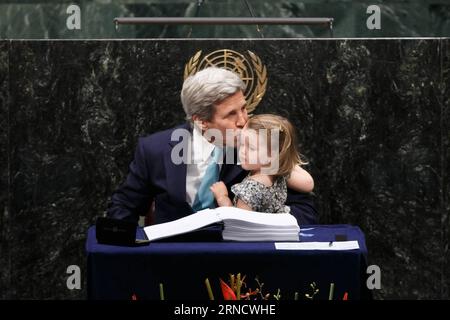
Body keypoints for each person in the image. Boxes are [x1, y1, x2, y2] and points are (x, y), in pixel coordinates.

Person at [107, 67, 317, 225]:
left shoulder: (258, 144)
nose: (243, 121)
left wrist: (261, 221)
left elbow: (305, 210)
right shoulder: (154, 149)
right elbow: (124, 207)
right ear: (201, 120)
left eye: (243, 108)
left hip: (241, 259)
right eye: (231, 114)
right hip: (171, 260)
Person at [210, 114, 314, 213]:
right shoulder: (277, 173)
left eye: (251, 147)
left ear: (272, 155)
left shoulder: (250, 189)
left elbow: (239, 221)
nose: (242, 151)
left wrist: (222, 197)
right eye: (241, 143)